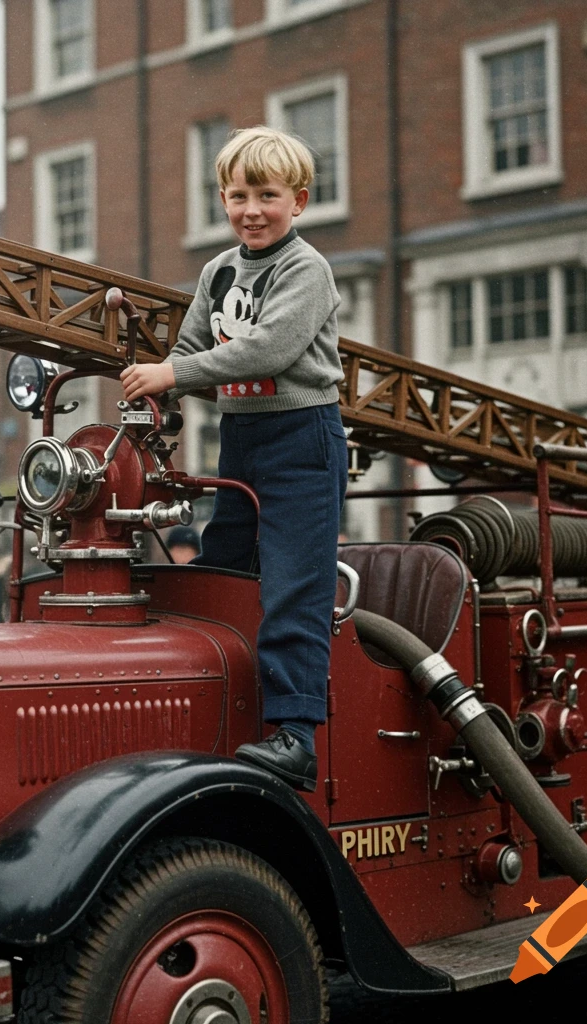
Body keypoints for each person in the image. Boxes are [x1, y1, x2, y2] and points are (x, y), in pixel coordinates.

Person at [120, 126, 348, 792]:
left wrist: (169, 375)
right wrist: (162, 394)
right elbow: (189, 348)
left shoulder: (306, 269)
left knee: (292, 587)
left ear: (298, 201)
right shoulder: (218, 271)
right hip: (241, 439)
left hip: (303, 437)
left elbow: (268, 350)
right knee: (220, 569)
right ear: (223, 198)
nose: (252, 209)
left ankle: (297, 737)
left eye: (268, 195)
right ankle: (218, 709)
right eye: (239, 195)